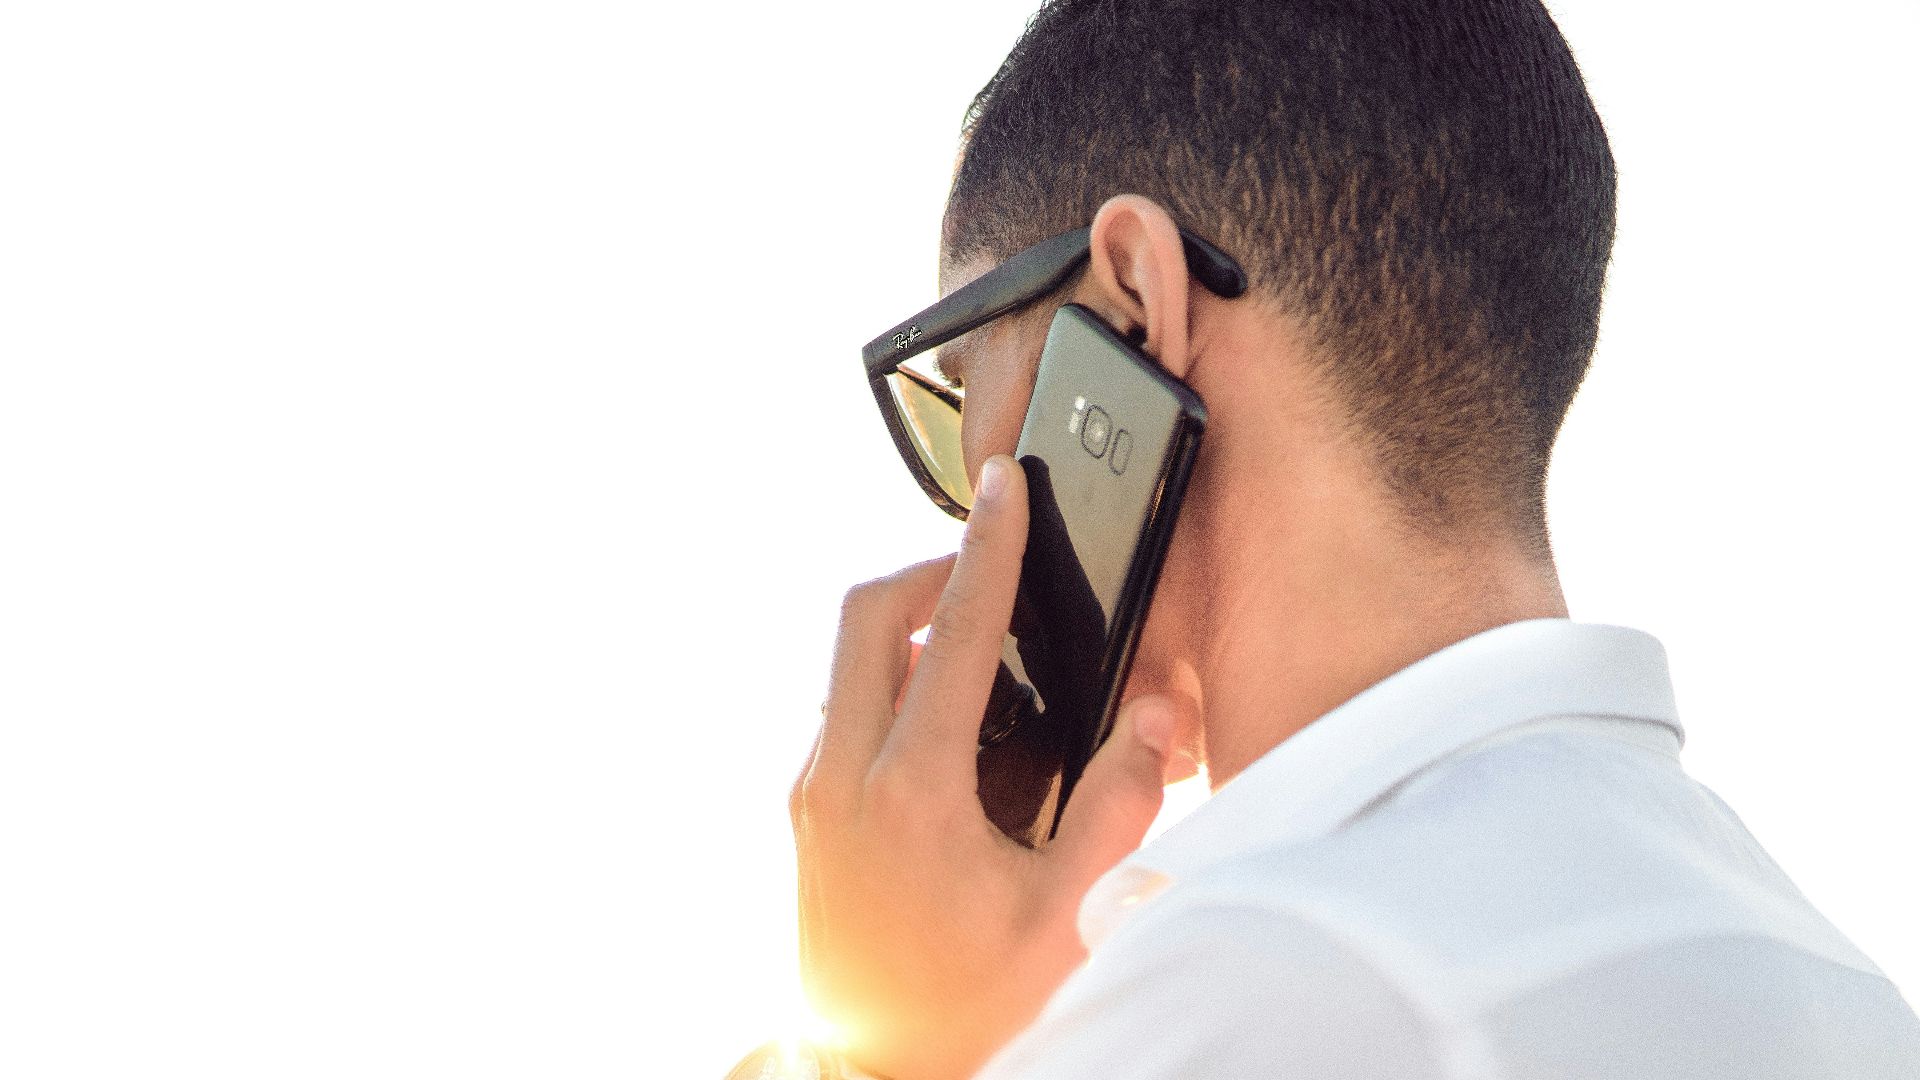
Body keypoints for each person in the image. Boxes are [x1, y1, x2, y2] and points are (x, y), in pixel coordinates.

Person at [786, 1, 1920, 1077]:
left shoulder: (1265, 992)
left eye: (962, 388)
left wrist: (917, 1044)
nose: (961, 497)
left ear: (1131, 308)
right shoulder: (1840, 989)